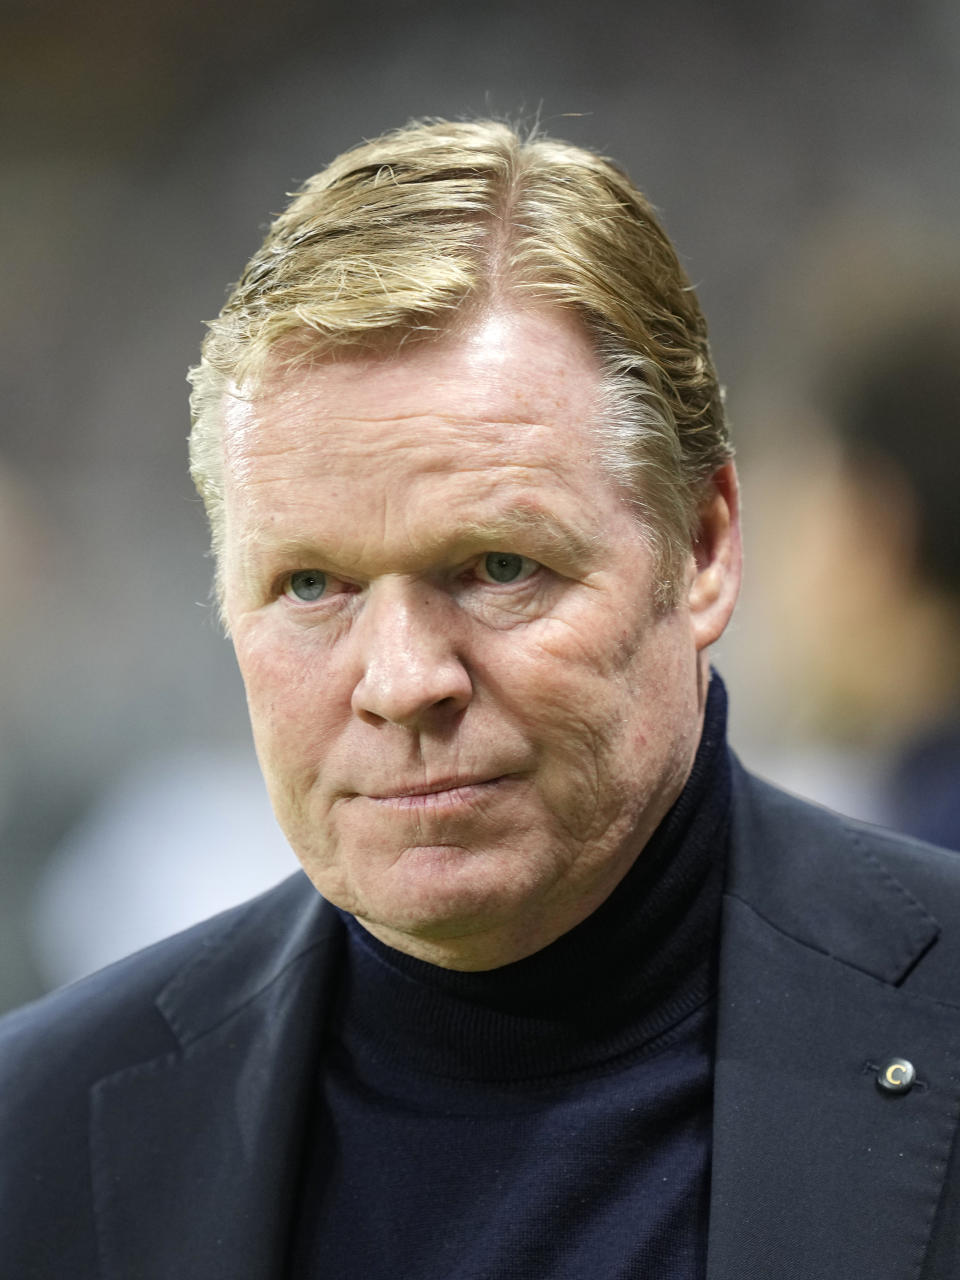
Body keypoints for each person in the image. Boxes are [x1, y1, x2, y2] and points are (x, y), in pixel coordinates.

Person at [2, 120, 960, 1280]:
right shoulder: (36, 1135)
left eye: (500, 567)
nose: (404, 679)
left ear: (701, 549)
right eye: (312, 584)